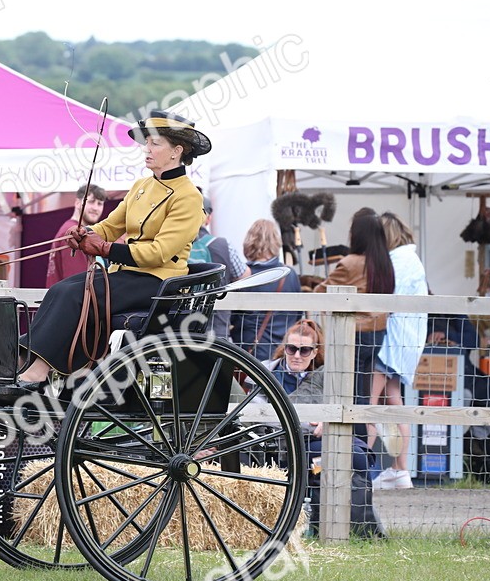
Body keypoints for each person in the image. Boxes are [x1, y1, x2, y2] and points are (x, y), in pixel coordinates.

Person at [18, 111, 211, 385]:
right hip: (127, 274)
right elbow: (110, 226)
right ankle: (35, 361)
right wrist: (87, 233)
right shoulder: (141, 186)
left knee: (76, 296)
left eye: (155, 143)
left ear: (176, 151)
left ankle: (39, 370)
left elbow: (158, 253)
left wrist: (106, 249)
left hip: (158, 282)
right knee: (61, 289)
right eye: (147, 143)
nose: (146, 149)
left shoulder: (189, 196)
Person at [260, 320, 383, 538]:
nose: (297, 355)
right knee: (331, 460)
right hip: (283, 446)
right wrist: (309, 423)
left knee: (357, 457)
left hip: (318, 443)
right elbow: (259, 417)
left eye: (305, 350)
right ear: (284, 347)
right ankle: (330, 526)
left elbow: (345, 411)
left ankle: (356, 527)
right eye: (291, 348)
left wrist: (329, 421)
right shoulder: (266, 372)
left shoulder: (327, 376)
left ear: (315, 351)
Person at [314, 208, 394, 415]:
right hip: (377, 334)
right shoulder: (385, 263)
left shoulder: (350, 263)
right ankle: (362, 443)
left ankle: (353, 444)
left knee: (346, 396)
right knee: (362, 395)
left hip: (353, 335)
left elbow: (319, 292)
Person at [370, 211, 428, 490]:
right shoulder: (412, 259)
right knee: (394, 401)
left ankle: (357, 470)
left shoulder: (397, 261)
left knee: (365, 405)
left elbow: (386, 299)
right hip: (405, 342)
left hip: (390, 341)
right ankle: (400, 470)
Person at [232, 218, 301, 360]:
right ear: (276, 241)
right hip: (283, 352)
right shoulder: (290, 274)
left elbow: (232, 316)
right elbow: (297, 314)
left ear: (249, 241)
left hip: (248, 352)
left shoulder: (244, 276)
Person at [189, 194, 250, 339]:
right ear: (209, 218)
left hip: (182, 328)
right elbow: (244, 275)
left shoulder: (175, 245)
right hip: (217, 328)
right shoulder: (223, 245)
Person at [45, 184, 107, 287]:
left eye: (100, 204)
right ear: (78, 203)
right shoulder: (74, 234)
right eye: (91, 202)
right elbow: (77, 282)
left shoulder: (69, 229)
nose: (95, 208)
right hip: (71, 301)